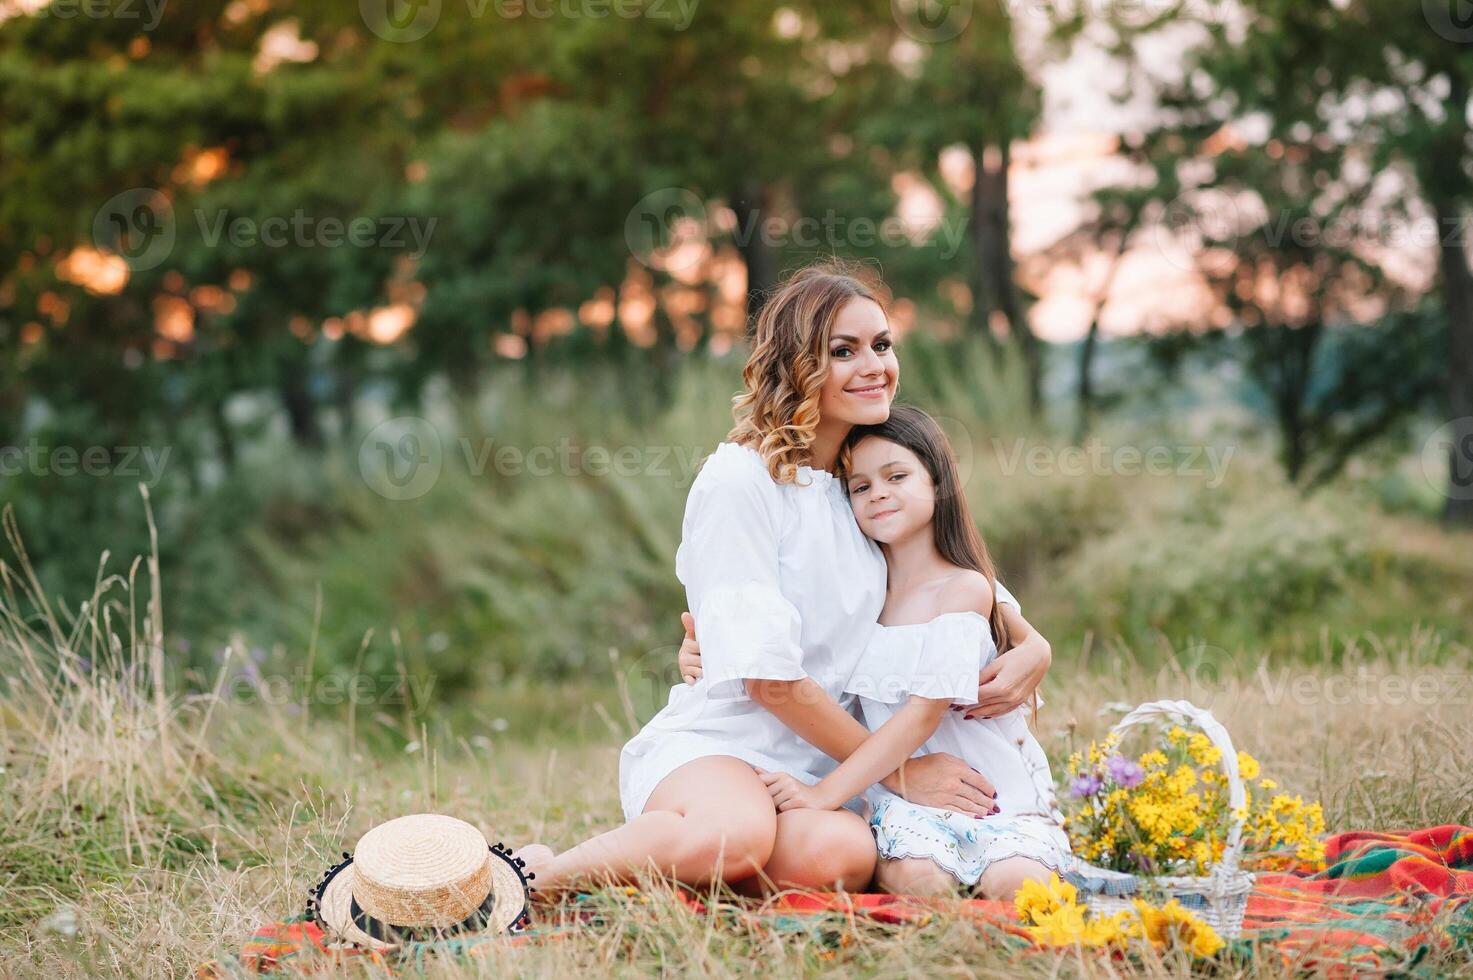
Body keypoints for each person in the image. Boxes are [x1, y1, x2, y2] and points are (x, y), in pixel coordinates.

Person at [515, 260, 1052, 894]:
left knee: (840, 859)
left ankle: (679, 868)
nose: (875, 365)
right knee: (735, 836)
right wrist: (902, 771)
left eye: (882, 344)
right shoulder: (740, 481)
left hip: (832, 763)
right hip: (728, 743)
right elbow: (769, 683)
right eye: (844, 350)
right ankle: (531, 880)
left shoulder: (863, 480)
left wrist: (1031, 642)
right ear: (798, 364)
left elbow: (944, 566)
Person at [758, 405, 1073, 899]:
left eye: (896, 476)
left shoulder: (964, 588)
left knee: (1017, 884)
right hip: (903, 801)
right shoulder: (859, 595)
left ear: (937, 482)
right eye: (860, 487)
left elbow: (924, 716)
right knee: (921, 883)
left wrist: (823, 795)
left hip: (993, 795)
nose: (878, 492)